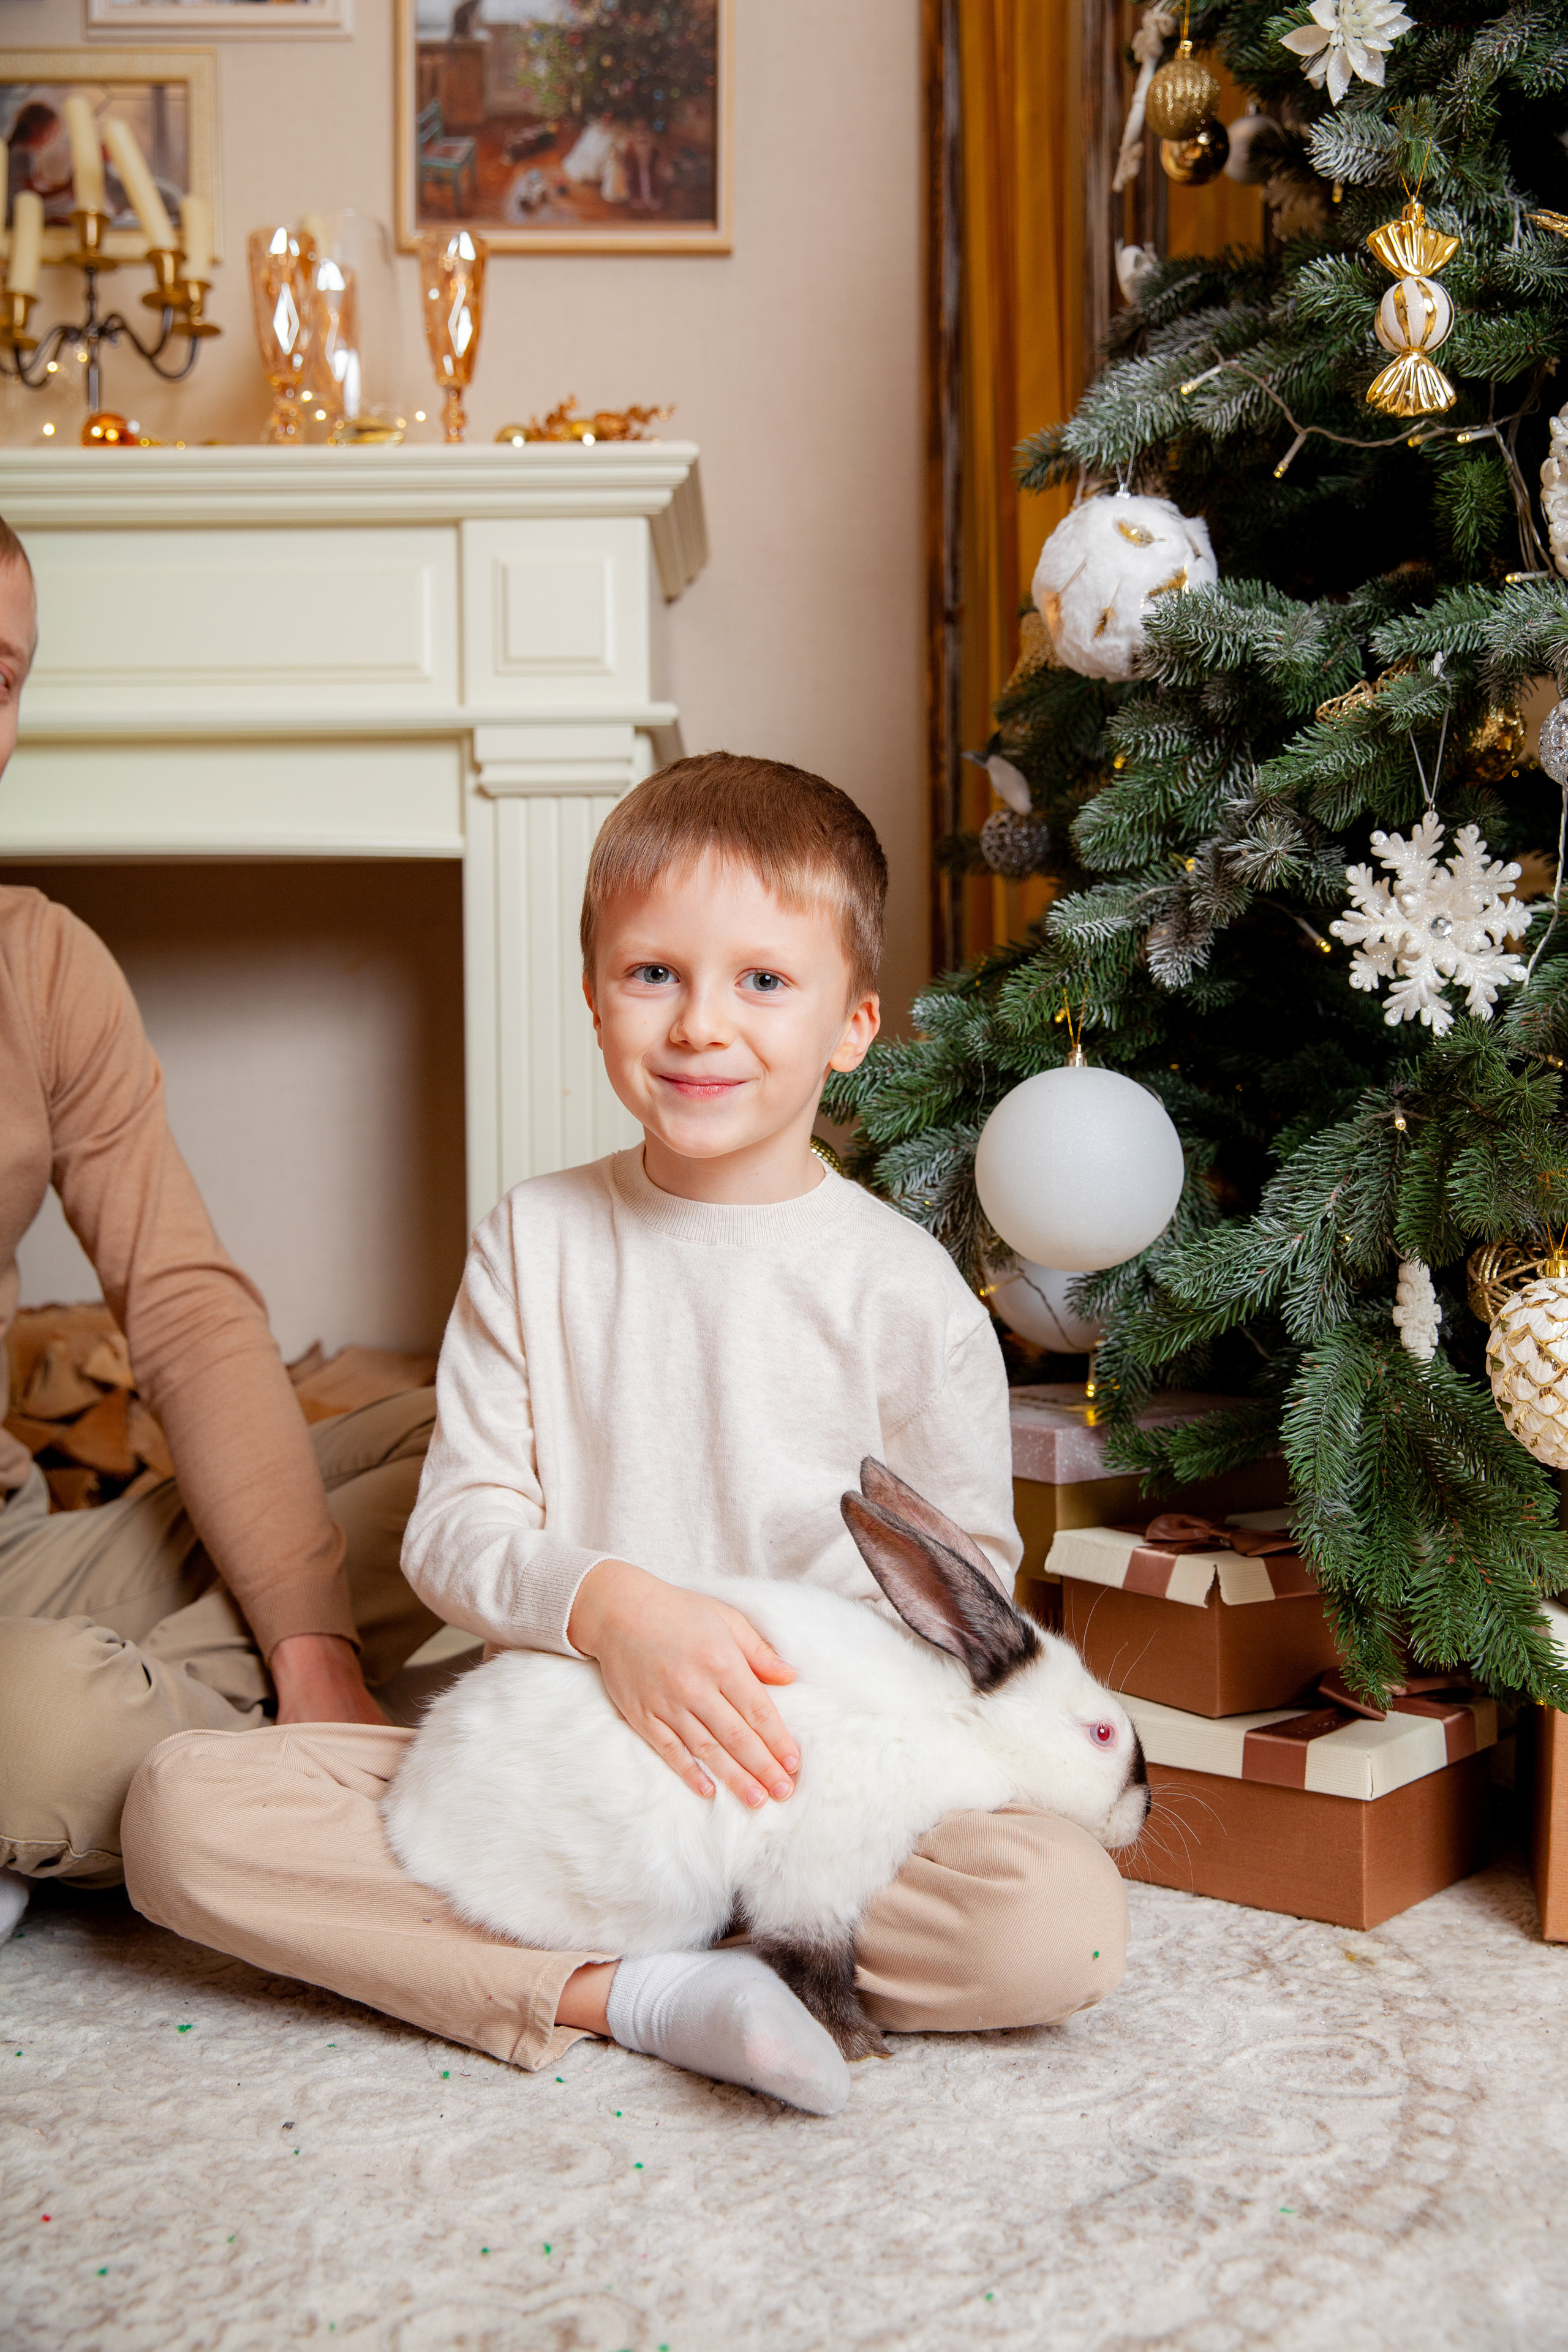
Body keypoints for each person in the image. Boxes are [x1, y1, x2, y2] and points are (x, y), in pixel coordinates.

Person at [123, 754, 1129, 2115]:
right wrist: (617, 1615)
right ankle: (647, 1993)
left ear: (853, 1025)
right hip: (571, 1771)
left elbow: (961, 1603)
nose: (699, 1025)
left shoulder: (908, 1294)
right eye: (652, 974)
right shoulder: (535, 1238)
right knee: (184, 1820)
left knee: (1052, 1924)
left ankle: (713, 1933)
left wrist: (785, 1744)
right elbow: (459, 1529)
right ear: (592, 996)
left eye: (762, 982)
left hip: (804, 1797)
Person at [0, 518, 439, 1942]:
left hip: (16, 1558)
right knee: (38, 1721)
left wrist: (310, 1646)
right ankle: (167, 1769)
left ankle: (213, 1738)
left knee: (470, 1452)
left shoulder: (43, 963)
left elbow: (182, 1310)